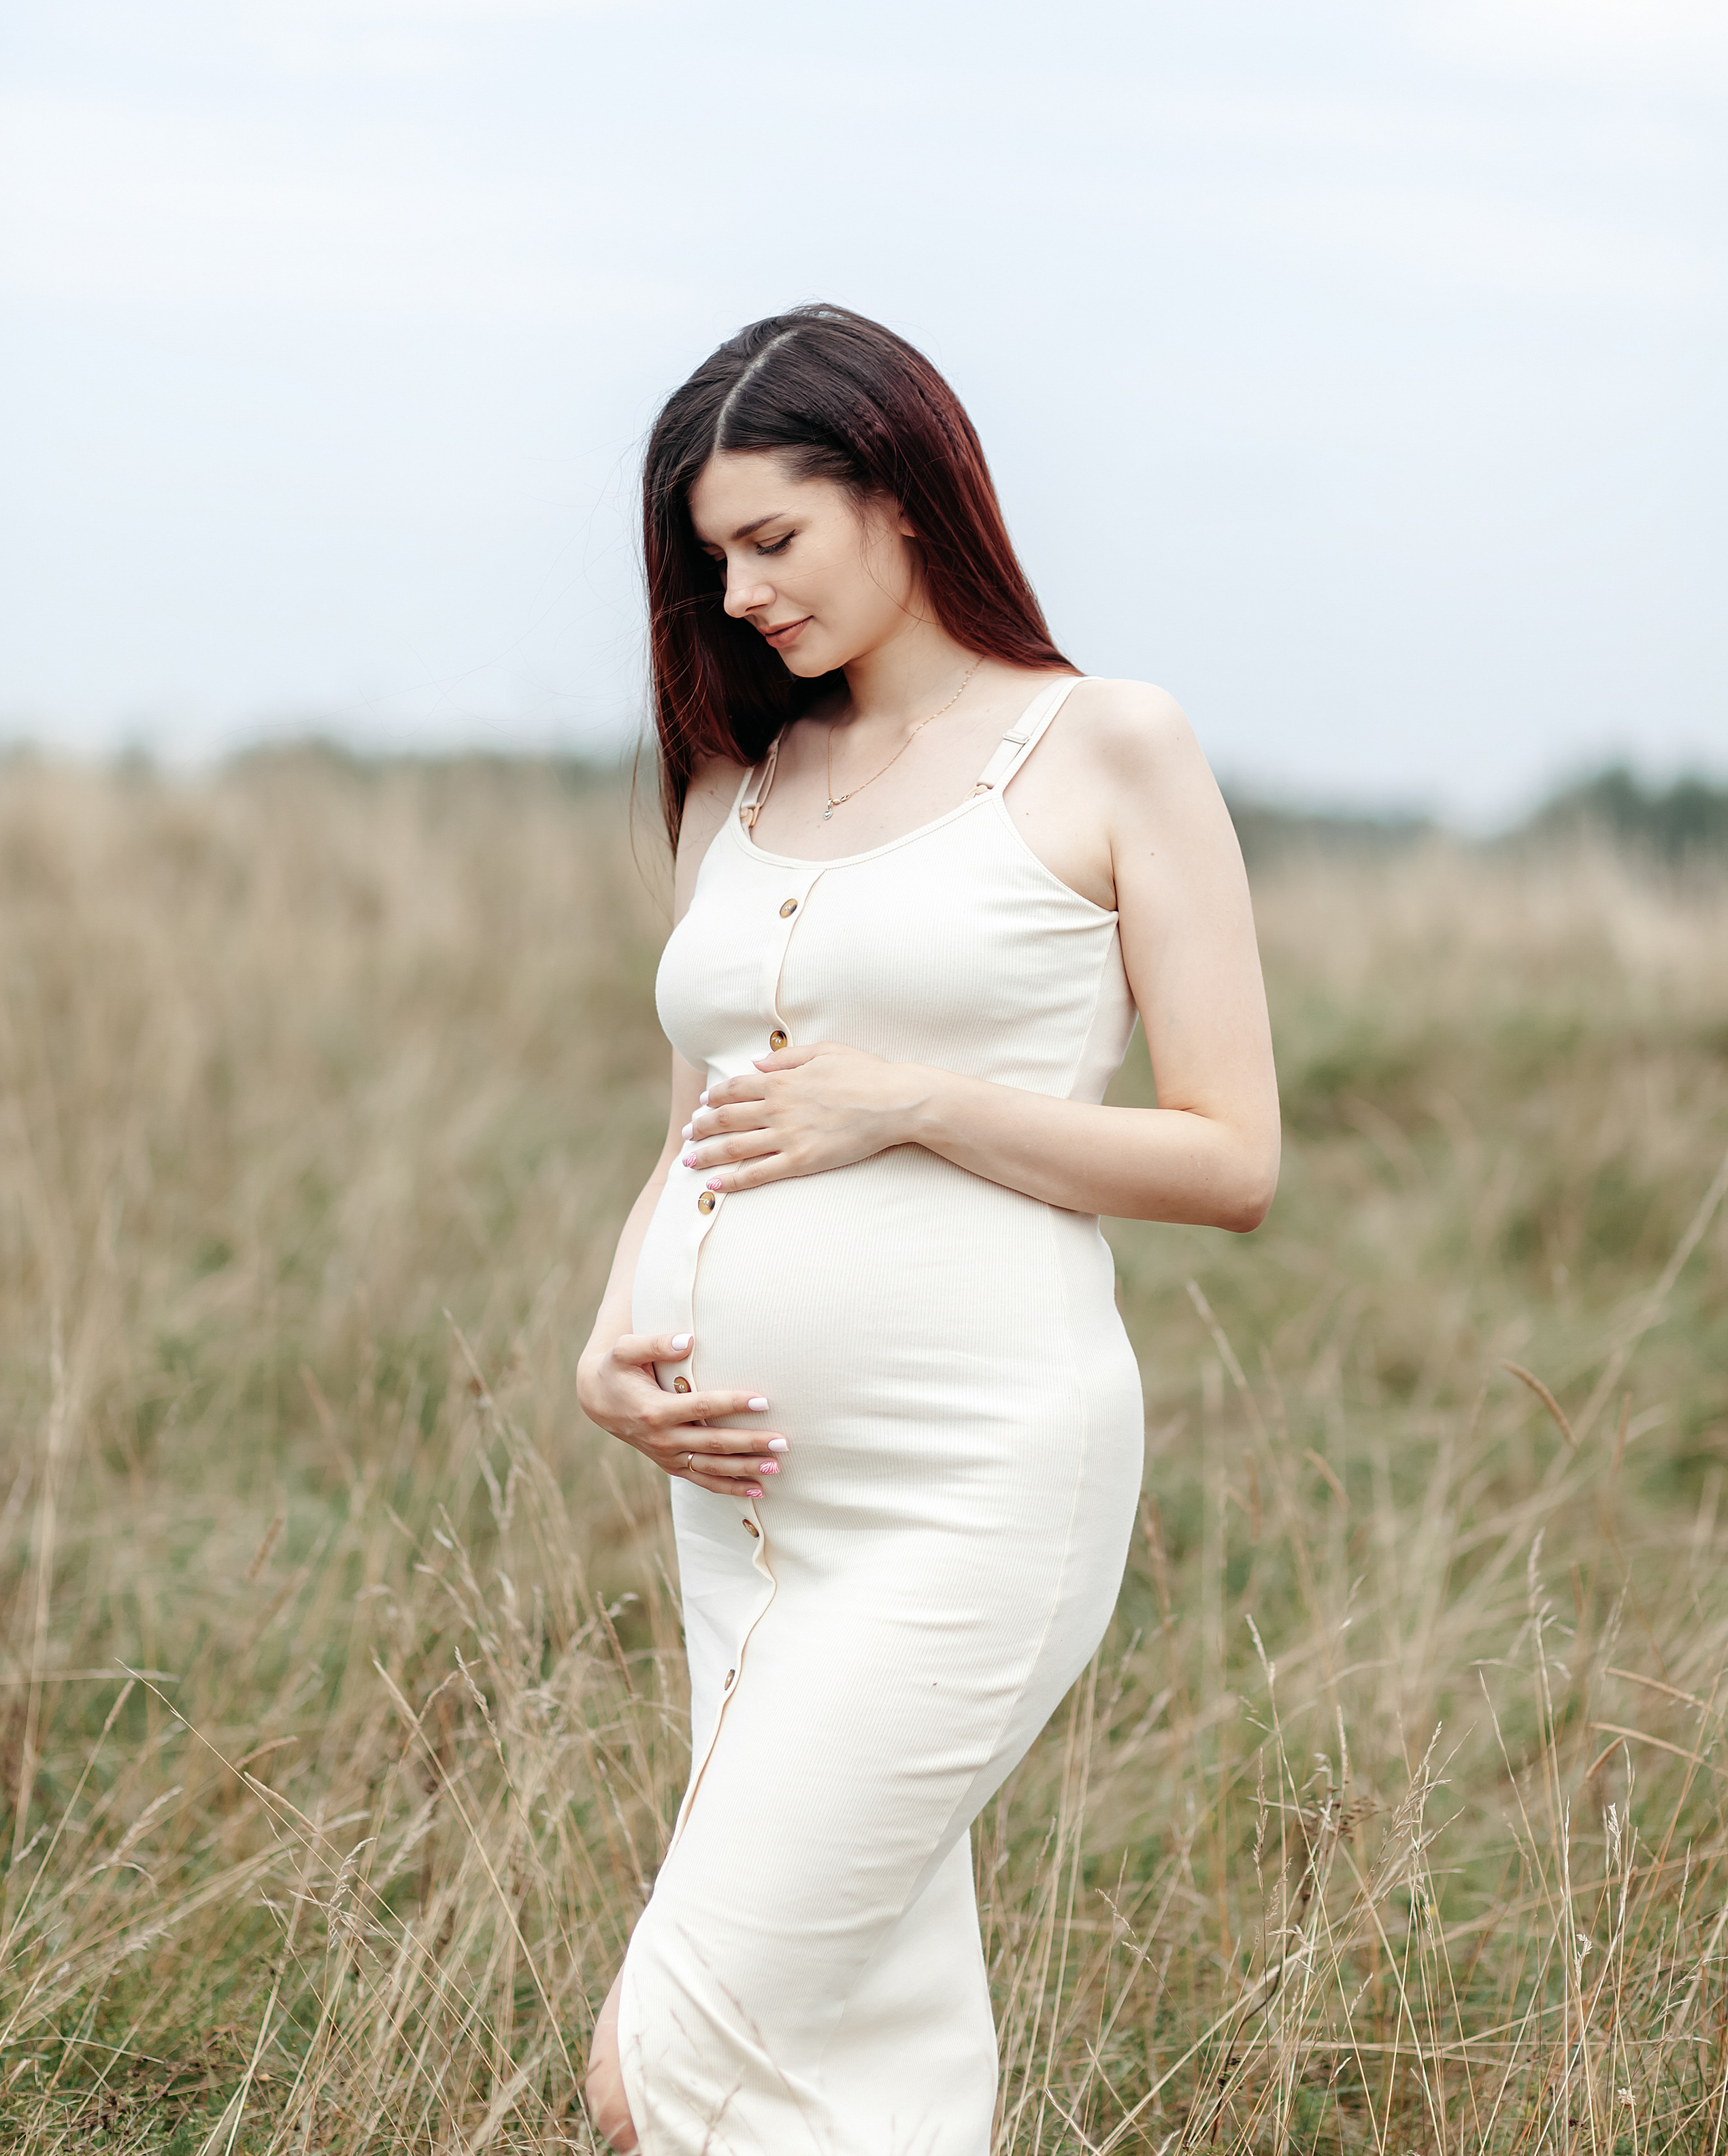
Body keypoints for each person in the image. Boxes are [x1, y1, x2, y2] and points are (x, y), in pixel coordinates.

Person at [576, 304, 1280, 2153]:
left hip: (969, 1485)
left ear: (899, 492)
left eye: (772, 539)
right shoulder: (737, 780)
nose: (738, 595)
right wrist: (607, 1343)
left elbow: (1232, 1159)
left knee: (662, 2074)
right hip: (742, 1509)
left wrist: (915, 1104)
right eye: (712, 558)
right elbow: (694, 1133)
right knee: (853, 2065)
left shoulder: (1106, 746)